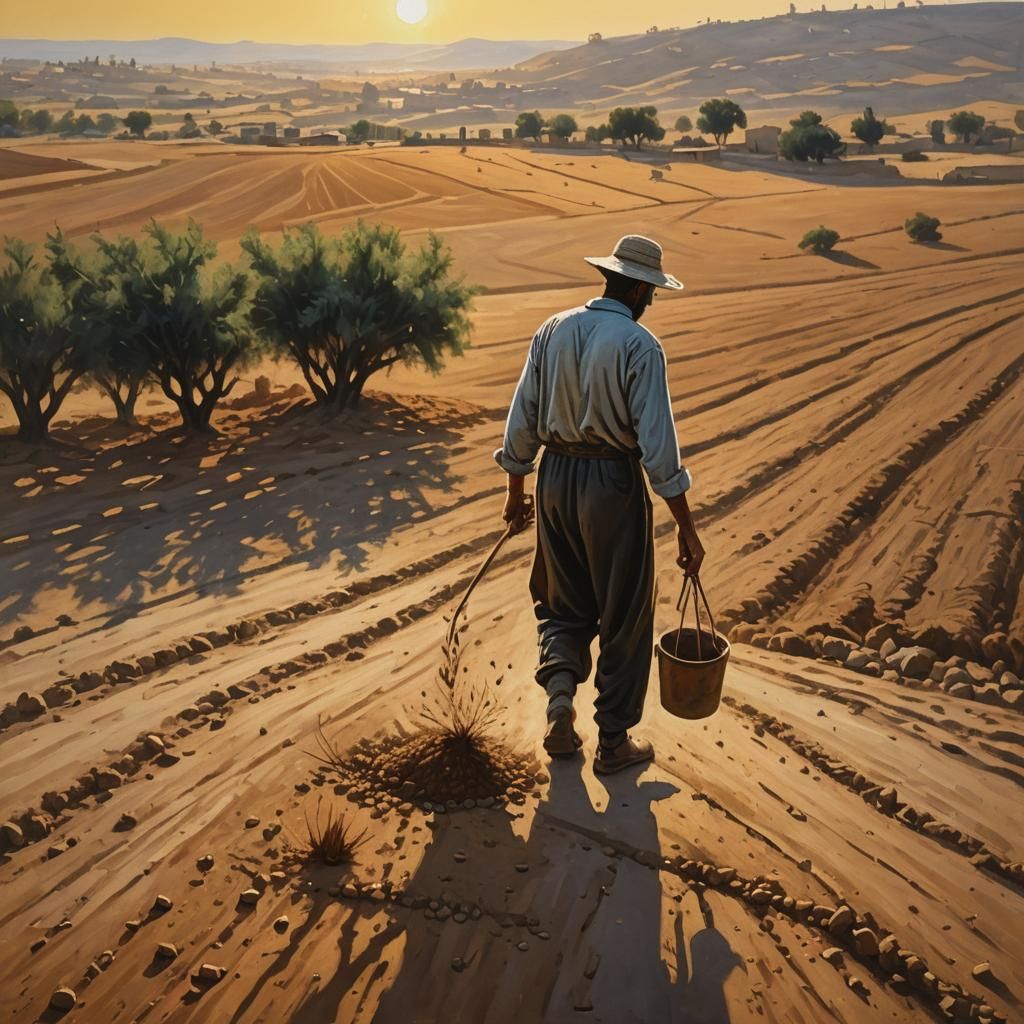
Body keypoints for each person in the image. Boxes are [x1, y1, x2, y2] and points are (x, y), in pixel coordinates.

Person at [494, 234, 705, 775]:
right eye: (651, 291)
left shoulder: (553, 329)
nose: (651, 301)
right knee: (624, 612)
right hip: (612, 483)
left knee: (561, 601)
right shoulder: (640, 346)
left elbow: (521, 419)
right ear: (636, 286)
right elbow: (659, 450)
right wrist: (686, 527)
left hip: (555, 479)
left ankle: (560, 702)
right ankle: (613, 741)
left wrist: (518, 495)